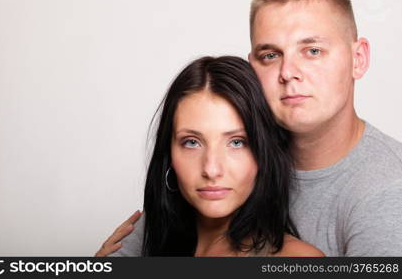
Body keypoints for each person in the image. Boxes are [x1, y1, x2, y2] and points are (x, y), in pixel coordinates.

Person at [96, 0, 402, 257]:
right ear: (251, 66)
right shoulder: (224, 165)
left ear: (358, 59)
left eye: (312, 51)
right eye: (271, 55)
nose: (287, 73)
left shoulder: (387, 192)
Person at [97, 56, 324, 257]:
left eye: (236, 142)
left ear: (264, 153)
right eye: (192, 142)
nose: (211, 169)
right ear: (170, 155)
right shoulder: (145, 240)